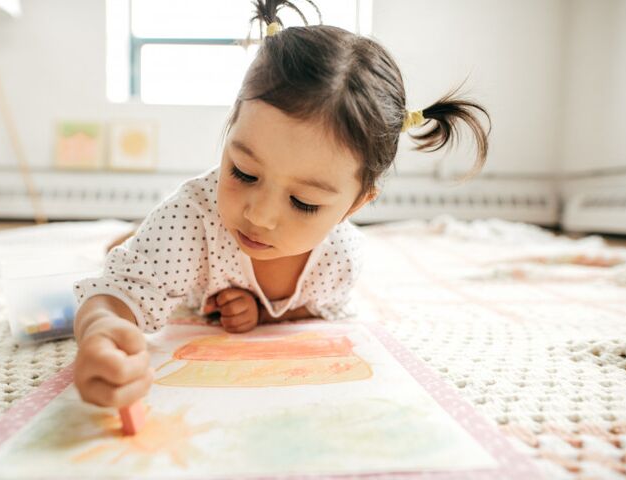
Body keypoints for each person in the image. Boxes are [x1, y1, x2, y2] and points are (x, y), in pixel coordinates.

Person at [72, 0, 490, 408]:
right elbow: (119, 293)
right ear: (232, 123)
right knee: (128, 255)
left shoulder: (338, 260)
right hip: (178, 255)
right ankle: (129, 240)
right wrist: (101, 331)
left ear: (355, 205)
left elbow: (315, 315)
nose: (259, 215)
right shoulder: (190, 219)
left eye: (304, 203)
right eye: (244, 173)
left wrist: (266, 316)